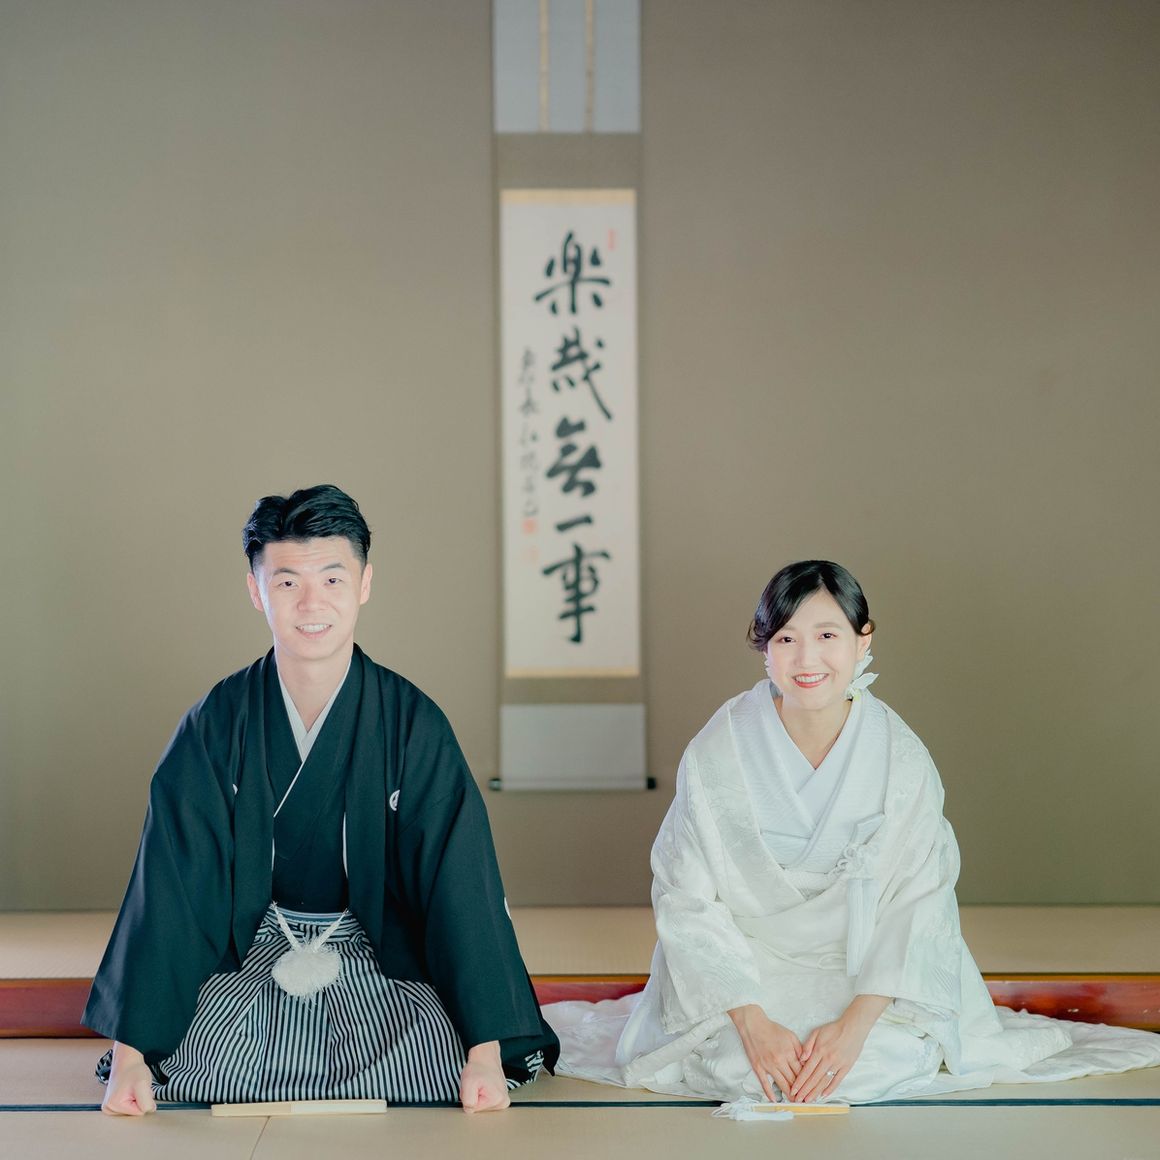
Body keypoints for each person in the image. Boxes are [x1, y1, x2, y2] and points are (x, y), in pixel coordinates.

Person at [546, 561, 1160, 1105]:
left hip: (864, 970)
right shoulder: (719, 751)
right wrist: (752, 1023)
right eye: (786, 639)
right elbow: (685, 896)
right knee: (742, 1069)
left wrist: (857, 1024)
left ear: (863, 639)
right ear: (765, 648)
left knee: (871, 1065)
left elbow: (919, 900)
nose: (806, 659)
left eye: (827, 636)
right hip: (747, 971)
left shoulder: (900, 758)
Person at [84, 484, 558, 1115]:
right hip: (253, 950)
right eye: (287, 583)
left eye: (332, 579)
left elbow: (460, 883)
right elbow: (170, 883)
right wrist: (131, 1056)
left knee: (435, 1054)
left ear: (364, 583)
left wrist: (484, 1050)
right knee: (199, 1054)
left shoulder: (411, 722)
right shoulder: (217, 723)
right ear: (256, 590)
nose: (312, 604)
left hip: (374, 952)